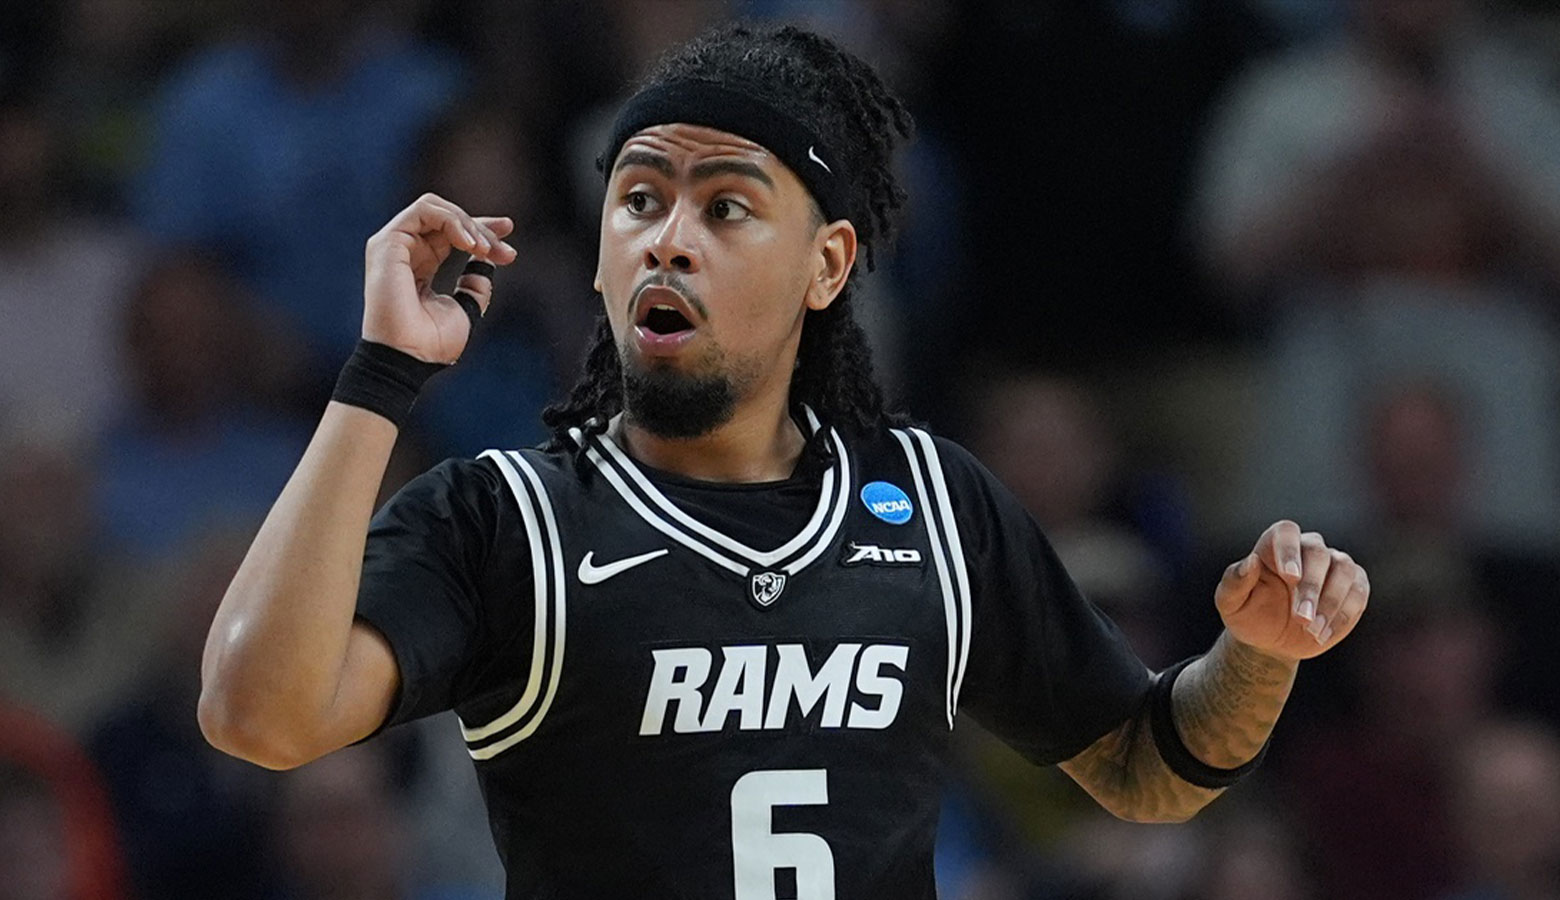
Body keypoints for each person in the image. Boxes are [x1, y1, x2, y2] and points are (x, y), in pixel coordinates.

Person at [199, 23, 1371, 898]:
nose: (669, 236)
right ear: (603, 263)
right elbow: (260, 717)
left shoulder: (932, 504)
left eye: (726, 208)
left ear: (827, 265)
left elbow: (1146, 772)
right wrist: (380, 380)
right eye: (639, 200)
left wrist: (1257, 657)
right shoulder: (507, 518)